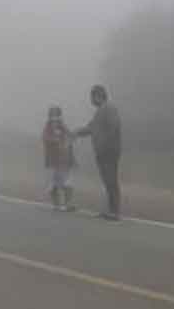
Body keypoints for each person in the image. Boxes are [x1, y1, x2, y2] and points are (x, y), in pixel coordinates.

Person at [74, 84, 121, 220]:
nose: (91, 100)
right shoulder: (101, 110)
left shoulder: (109, 108)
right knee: (108, 180)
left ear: (98, 96)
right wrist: (77, 132)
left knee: (111, 180)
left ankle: (114, 211)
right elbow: (91, 128)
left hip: (108, 151)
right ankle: (111, 210)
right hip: (104, 150)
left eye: (92, 97)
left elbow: (113, 127)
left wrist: (105, 144)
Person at [42, 106, 77, 211]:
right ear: (49, 116)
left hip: (65, 159)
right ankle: (56, 204)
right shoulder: (47, 127)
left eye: (57, 115)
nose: (55, 118)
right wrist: (55, 140)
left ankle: (67, 204)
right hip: (54, 160)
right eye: (53, 115)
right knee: (55, 184)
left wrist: (70, 138)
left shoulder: (62, 126)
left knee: (67, 183)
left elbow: (70, 136)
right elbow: (45, 138)